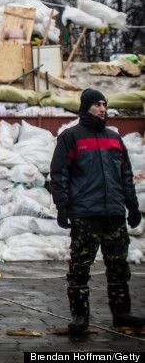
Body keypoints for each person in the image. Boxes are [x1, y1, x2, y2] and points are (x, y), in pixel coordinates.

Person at [50, 88, 144, 333]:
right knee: (80, 267)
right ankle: (80, 316)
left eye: (104, 104)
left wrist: (132, 207)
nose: (102, 108)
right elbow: (59, 174)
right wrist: (63, 207)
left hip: (113, 213)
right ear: (86, 107)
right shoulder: (71, 137)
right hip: (85, 214)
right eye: (97, 104)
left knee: (119, 266)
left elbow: (125, 175)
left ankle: (122, 313)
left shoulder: (114, 138)